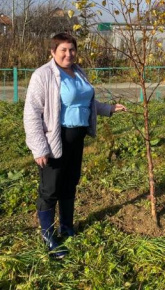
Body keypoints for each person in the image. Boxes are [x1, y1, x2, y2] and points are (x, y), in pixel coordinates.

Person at [24, 32, 127, 258]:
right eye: (63, 50)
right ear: (53, 52)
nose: (68, 54)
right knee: (50, 189)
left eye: (72, 50)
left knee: (70, 183)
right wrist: (39, 147)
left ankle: (67, 227)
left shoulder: (79, 72)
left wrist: (108, 109)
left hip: (76, 139)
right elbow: (32, 113)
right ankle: (48, 236)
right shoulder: (43, 75)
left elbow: (86, 102)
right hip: (55, 140)